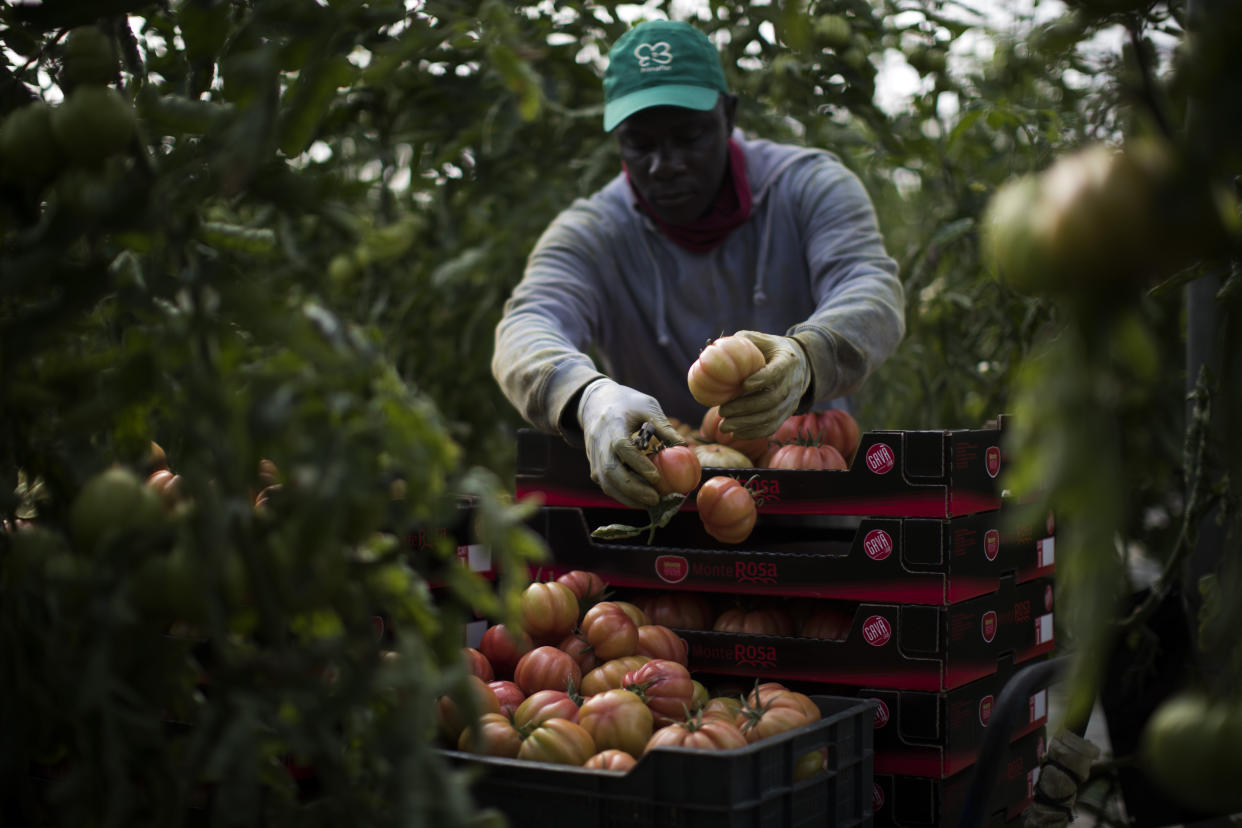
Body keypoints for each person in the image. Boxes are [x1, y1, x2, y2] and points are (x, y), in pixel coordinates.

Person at [492, 19, 905, 510]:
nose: (664, 165)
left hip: (808, 491)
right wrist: (586, 397)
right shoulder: (593, 234)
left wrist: (809, 356)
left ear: (728, 116)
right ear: (616, 139)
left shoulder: (809, 188)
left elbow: (870, 288)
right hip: (661, 506)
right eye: (640, 144)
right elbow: (527, 323)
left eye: (689, 137)